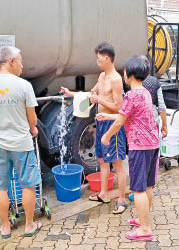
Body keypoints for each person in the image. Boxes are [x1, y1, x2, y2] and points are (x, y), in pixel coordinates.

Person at [0, 46, 42, 239]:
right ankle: (29, 226)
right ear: (11, 61)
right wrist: (32, 128)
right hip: (22, 144)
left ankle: (5, 227)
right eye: (20, 60)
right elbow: (32, 120)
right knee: (28, 185)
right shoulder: (23, 85)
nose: (22, 64)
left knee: (0, 187)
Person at [59, 42, 128, 214]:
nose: (97, 62)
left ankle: (121, 199)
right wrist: (71, 93)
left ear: (107, 58)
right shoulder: (101, 76)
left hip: (113, 124)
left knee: (117, 165)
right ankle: (104, 194)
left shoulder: (116, 80)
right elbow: (92, 94)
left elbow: (119, 108)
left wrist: (100, 101)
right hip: (101, 122)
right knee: (102, 161)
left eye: (98, 59)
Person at [97, 56, 159, 241]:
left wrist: (106, 136)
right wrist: (106, 117)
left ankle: (144, 229)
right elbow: (130, 116)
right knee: (147, 185)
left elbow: (121, 120)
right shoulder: (145, 92)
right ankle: (142, 220)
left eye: (125, 71)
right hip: (153, 144)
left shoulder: (131, 95)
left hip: (140, 146)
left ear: (129, 75)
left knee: (138, 189)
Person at [128, 57, 168, 202]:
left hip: (138, 132)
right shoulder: (154, 82)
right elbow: (162, 106)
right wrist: (164, 125)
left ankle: (138, 191)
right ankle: (148, 188)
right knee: (152, 161)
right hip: (153, 126)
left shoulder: (133, 83)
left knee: (139, 164)